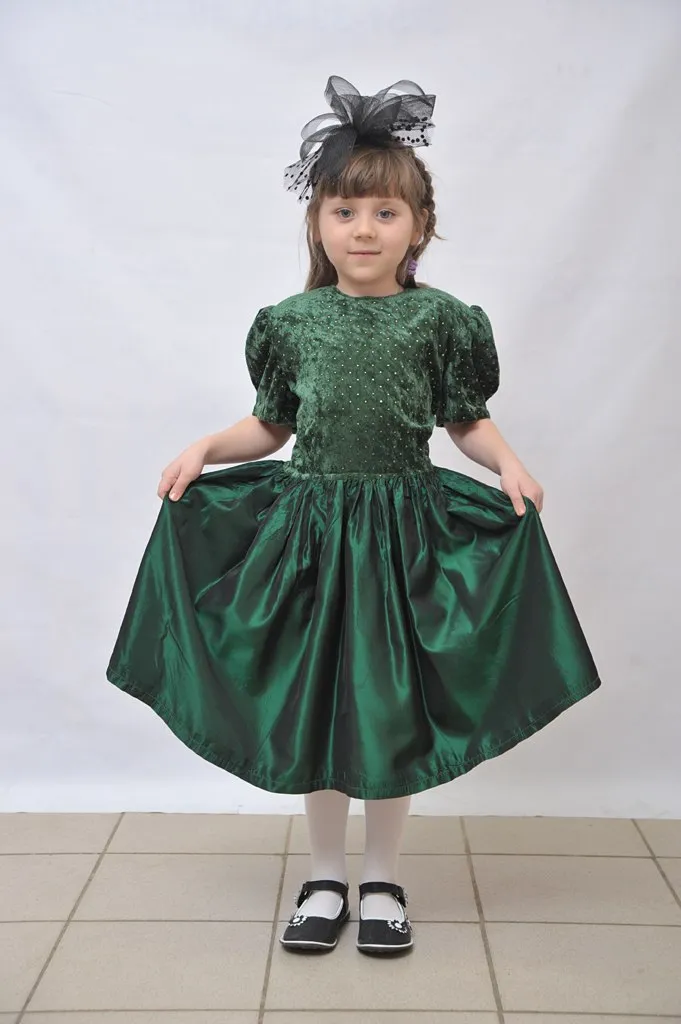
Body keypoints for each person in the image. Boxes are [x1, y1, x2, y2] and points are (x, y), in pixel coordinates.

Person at [107, 76, 601, 957]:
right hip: (307, 539)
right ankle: (326, 875)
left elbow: (465, 420)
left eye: (383, 213)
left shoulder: (441, 321)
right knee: (316, 701)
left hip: (403, 538)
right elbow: (270, 425)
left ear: (418, 226)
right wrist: (205, 450)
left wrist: (509, 464)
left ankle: (381, 878)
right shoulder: (290, 323)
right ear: (317, 224)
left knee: (386, 709)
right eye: (344, 212)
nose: (363, 230)